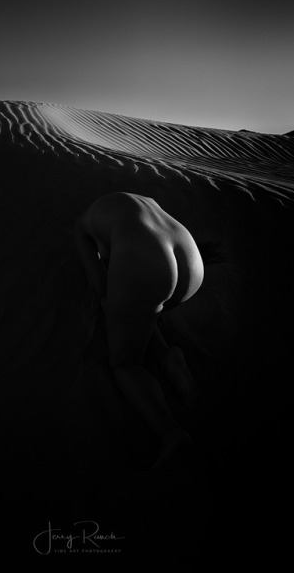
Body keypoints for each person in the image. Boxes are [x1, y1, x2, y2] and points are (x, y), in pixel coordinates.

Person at [75, 192, 204, 469]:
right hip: (191, 261)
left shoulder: (83, 227)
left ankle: (171, 433)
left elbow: (99, 283)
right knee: (141, 311)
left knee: (125, 362)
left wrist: (109, 290)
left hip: (149, 262)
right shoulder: (135, 203)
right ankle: (170, 359)